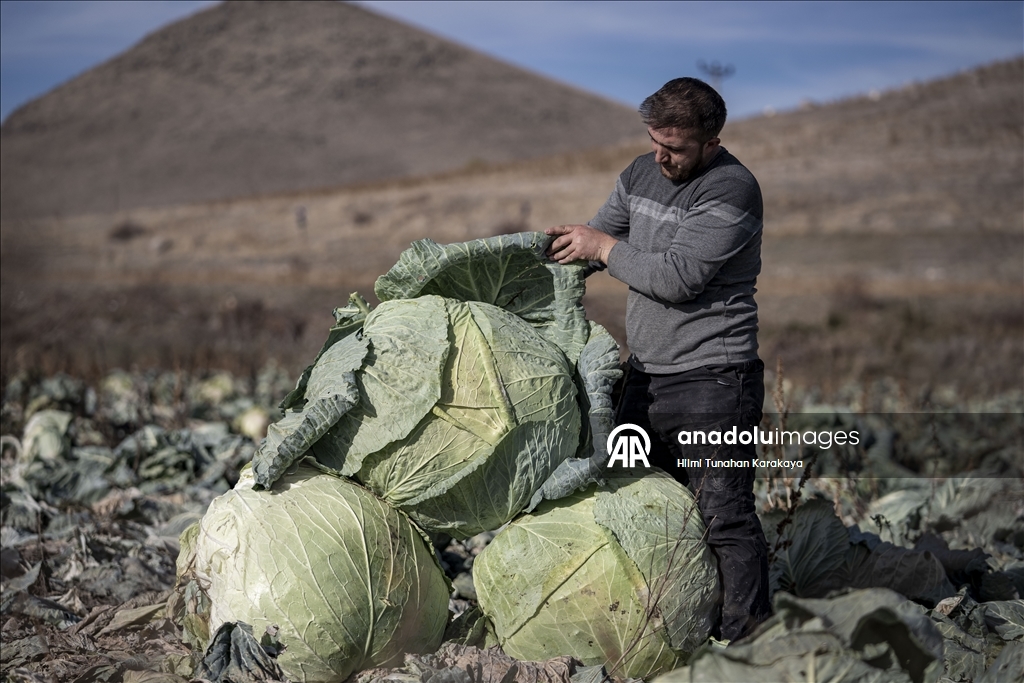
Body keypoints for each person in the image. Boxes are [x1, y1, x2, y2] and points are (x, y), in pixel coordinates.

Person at [545, 76, 770, 641]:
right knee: (637, 504)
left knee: (723, 515)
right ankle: (671, 632)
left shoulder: (732, 189)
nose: (661, 157)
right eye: (654, 142)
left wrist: (602, 248)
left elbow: (676, 277)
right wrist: (535, 261)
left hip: (715, 380)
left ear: (711, 142)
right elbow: (596, 240)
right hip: (645, 378)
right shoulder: (640, 174)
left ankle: (749, 643)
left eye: (676, 148)